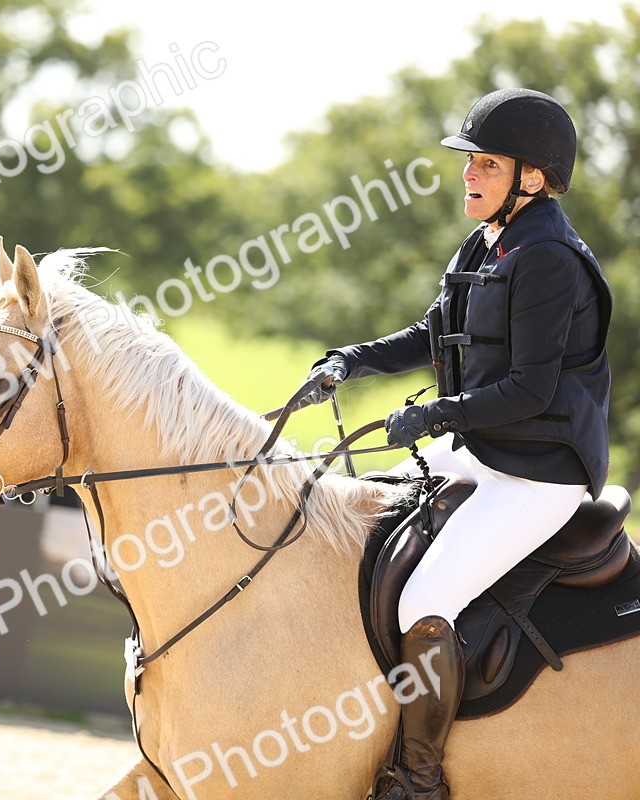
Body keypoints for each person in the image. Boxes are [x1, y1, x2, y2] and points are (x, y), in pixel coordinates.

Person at [301, 88, 612, 800]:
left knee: (426, 602)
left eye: (488, 164)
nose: (469, 175)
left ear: (531, 178)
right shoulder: (488, 241)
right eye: (471, 161)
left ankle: (418, 778)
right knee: (349, 506)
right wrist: (349, 359)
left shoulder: (549, 260)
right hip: (488, 450)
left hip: (539, 472)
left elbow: (533, 390)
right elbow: (429, 335)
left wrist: (437, 416)